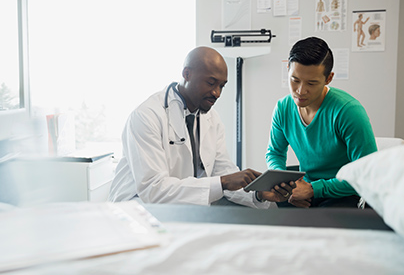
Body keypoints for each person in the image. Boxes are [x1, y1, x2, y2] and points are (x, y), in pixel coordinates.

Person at [109, 46, 294, 207]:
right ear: (187, 74)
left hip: (181, 207)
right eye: (211, 83)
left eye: (222, 86)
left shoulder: (211, 119)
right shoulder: (147, 116)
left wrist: (258, 193)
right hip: (138, 209)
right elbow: (154, 190)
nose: (217, 93)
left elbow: (221, 172)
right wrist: (223, 182)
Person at [266, 37, 377, 208]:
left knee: (320, 225)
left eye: (311, 83)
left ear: (328, 78)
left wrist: (313, 189)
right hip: (304, 188)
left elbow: (367, 174)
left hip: (342, 193)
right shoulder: (283, 108)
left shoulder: (348, 111)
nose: (300, 91)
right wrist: (286, 186)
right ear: (287, 70)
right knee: (268, 215)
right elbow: (274, 153)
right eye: (295, 80)